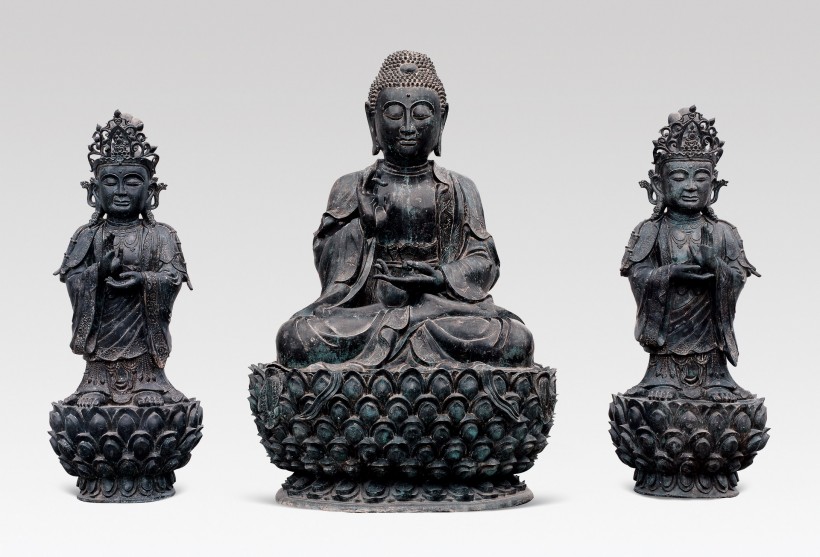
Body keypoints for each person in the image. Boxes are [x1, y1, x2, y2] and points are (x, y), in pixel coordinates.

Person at [276, 51, 534, 370]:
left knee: (516, 340)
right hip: (370, 313)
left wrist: (440, 277)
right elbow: (332, 273)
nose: (408, 127)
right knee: (295, 338)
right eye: (395, 114)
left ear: (442, 119)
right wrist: (364, 229)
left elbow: (484, 262)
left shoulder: (459, 188)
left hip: (438, 311)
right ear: (372, 120)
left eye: (422, 113)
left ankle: (407, 348)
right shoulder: (352, 187)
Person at [621, 106, 759, 402]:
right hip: (666, 351)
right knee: (651, 408)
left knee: (736, 411)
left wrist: (718, 268)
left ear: (714, 184)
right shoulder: (650, 230)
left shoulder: (724, 232)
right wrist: (668, 274)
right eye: (679, 177)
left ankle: (716, 379)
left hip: (711, 347)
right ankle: (663, 377)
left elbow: (738, 277)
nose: (691, 186)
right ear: (659, 184)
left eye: (701, 177)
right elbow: (637, 275)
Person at [57, 111, 192, 407]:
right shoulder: (87, 235)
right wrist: (98, 271)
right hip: (100, 349)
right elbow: (73, 280)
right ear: (95, 192)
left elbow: (173, 277)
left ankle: (147, 382)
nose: (120, 191)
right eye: (110, 182)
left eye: (131, 182)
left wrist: (143, 279)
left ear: (150, 191)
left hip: (144, 351)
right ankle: (96, 384)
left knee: (157, 406)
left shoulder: (161, 235)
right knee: (82, 411)